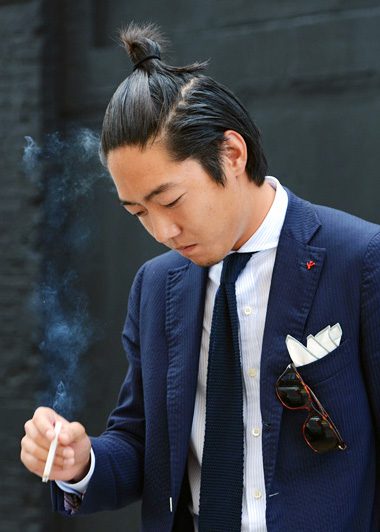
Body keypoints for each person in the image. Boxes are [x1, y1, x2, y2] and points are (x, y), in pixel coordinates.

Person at [20, 23, 380, 532]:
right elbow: (143, 445)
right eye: (137, 213)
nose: (162, 230)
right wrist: (80, 462)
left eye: (170, 201)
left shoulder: (360, 258)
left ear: (232, 154)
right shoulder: (155, 286)